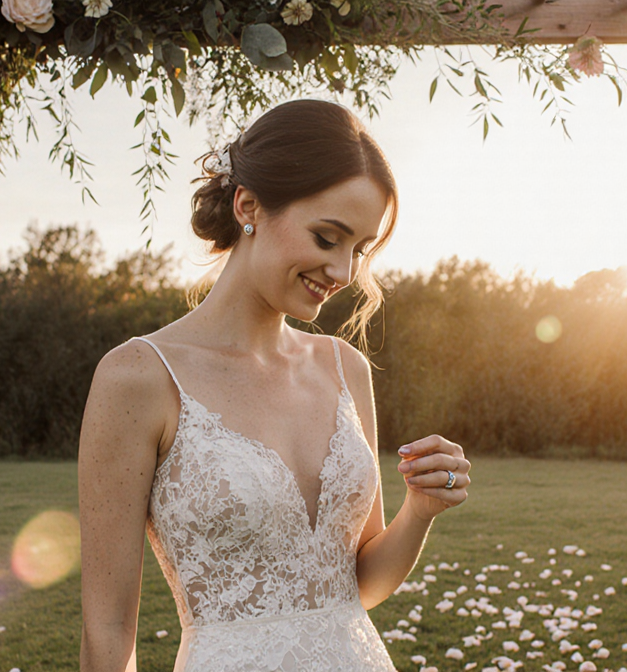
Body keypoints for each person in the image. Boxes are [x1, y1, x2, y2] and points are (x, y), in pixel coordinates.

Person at [78, 99, 472, 672]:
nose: (342, 273)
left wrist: (419, 510)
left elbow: (358, 584)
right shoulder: (138, 378)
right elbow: (108, 630)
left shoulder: (344, 368)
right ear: (249, 206)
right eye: (326, 237)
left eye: (358, 249)